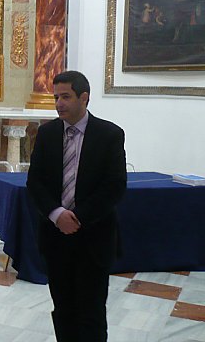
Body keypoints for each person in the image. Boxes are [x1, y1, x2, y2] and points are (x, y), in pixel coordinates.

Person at [26, 70, 126, 342]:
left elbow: (114, 186)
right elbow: (35, 182)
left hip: (93, 238)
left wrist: (77, 218)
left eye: (65, 97)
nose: (58, 103)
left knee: (92, 312)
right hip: (55, 237)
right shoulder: (46, 134)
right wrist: (57, 215)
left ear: (84, 98)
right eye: (56, 97)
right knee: (63, 310)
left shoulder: (109, 135)